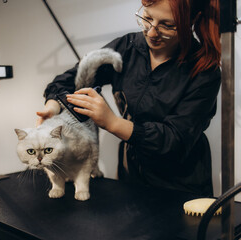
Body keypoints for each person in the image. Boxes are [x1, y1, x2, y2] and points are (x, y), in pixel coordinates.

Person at [36, 0, 221, 197]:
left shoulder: (204, 71)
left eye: (167, 25)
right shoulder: (127, 47)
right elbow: (70, 79)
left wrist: (113, 123)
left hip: (180, 187)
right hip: (131, 177)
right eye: (147, 18)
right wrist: (53, 106)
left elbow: (174, 141)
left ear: (194, 19)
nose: (151, 33)